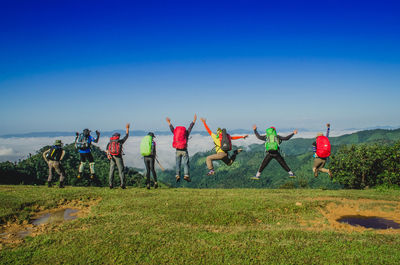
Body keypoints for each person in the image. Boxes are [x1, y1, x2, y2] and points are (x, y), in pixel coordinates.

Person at [166, 114, 197, 182]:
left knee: (178, 163)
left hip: (177, 150)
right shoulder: (186, 133)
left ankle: (177, 175)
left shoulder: (175, 132)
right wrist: (194, 121)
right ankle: (186, 175)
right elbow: (190, 128)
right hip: (184, 150)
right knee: (186, 163)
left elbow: (172, 129)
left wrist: (169, 122)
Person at [106, 123, 130, 189]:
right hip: (118, 156)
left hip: (111, 156)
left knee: (111, 170)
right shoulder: (120, 141)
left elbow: (107, 149)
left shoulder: (110, 142)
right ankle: (122, 184)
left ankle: (110, 184)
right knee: (121, 170)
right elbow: (126, 136)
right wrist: (127, 129)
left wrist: (108, 155)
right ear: (118, 137)